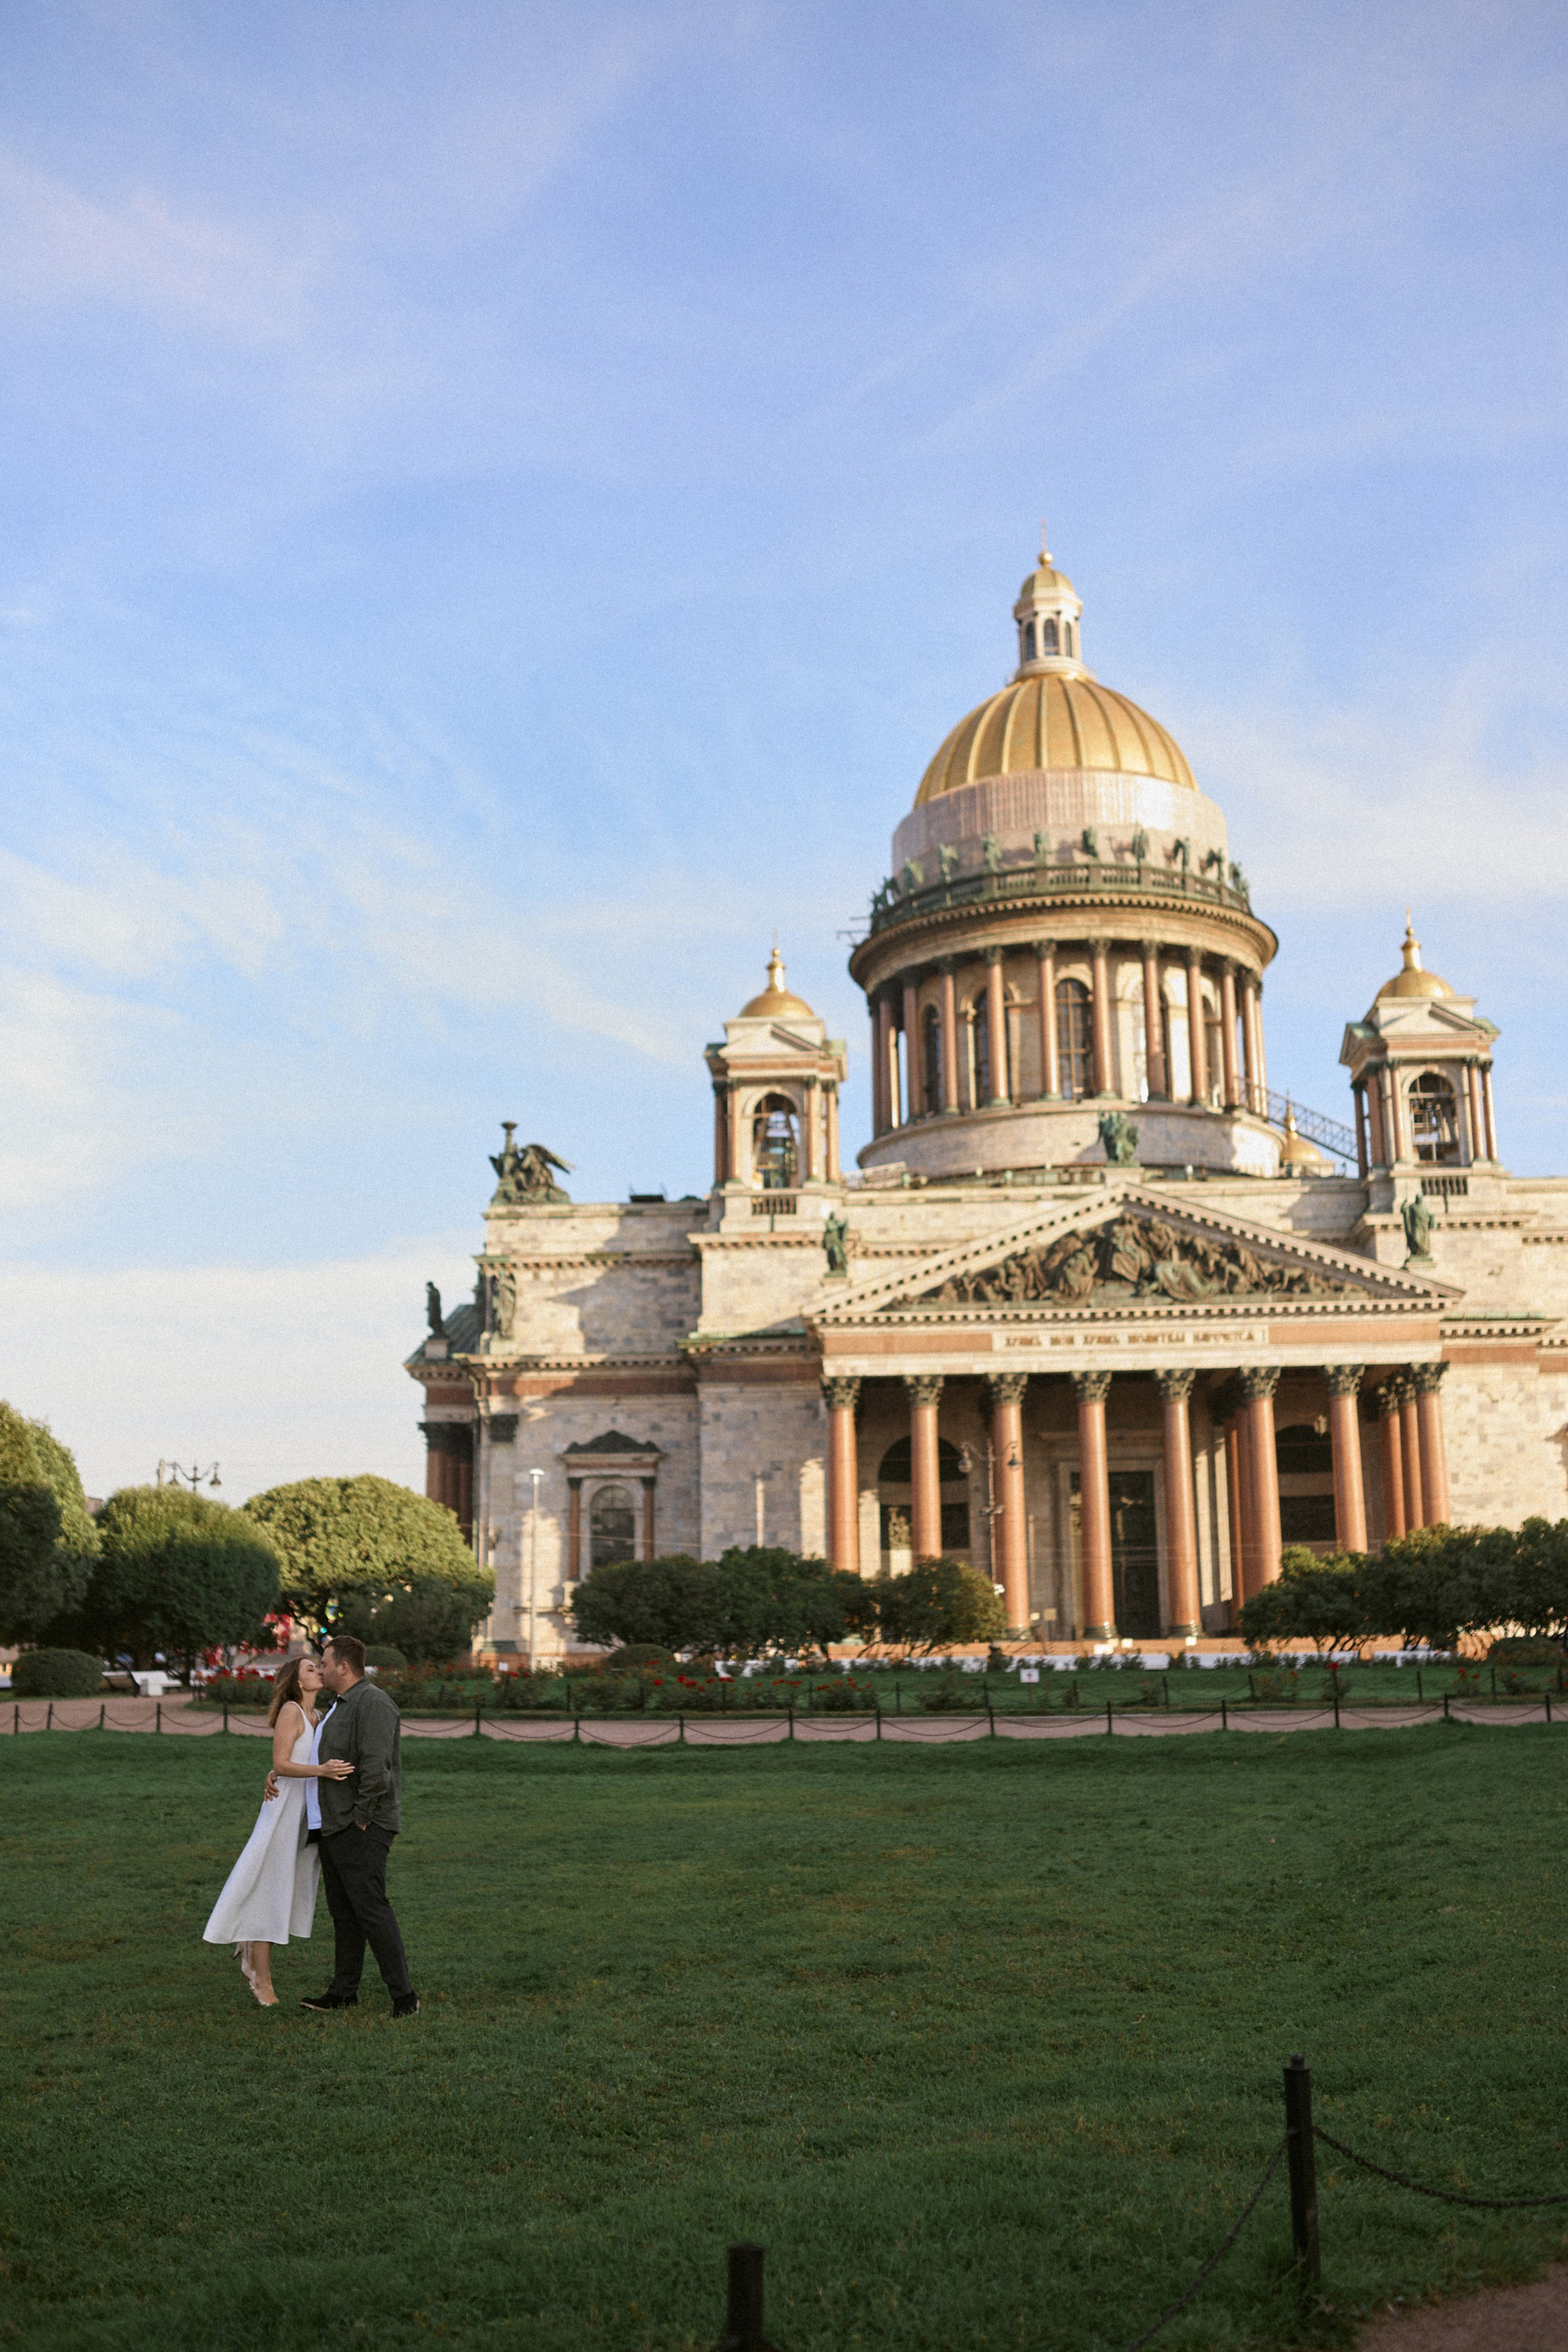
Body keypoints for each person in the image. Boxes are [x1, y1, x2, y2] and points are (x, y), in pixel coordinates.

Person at [202, 1655, 353, 2007]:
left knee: (285, 1887)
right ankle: (260, 1975)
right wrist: (320, 1771)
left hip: (306, 1815)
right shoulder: (292, 1711)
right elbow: (281, 1764)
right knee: (271, 1886)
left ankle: (250, 1947)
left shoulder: (318, 1715)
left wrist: (304, 1772)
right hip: (283, 1812)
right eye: (311, 1669)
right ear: (299, 1682)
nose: (319, 1671)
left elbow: (291, 1763)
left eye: (319, 1666)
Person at [295, 1632, 420, 2018]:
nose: (322, 1669)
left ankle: (404, 1997)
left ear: (344, 1667)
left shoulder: (373, 1703)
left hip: (361, 1824)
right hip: (334, 1825)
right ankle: (343, 1992)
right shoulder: (339, 1705)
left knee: (371, 1909)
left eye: (326, 1663)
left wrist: (361, 1818)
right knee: (345, 1913)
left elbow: (376, 1767)